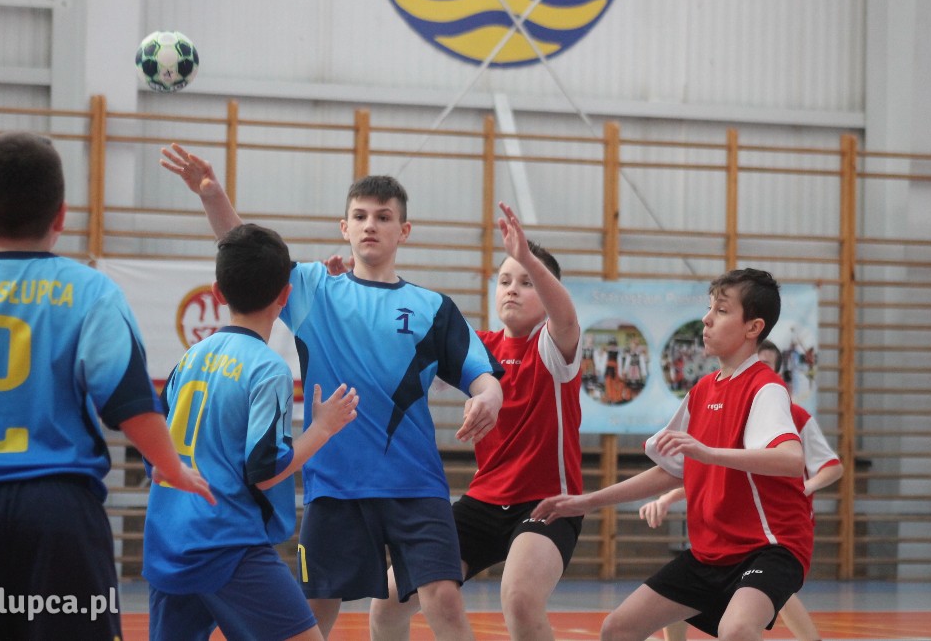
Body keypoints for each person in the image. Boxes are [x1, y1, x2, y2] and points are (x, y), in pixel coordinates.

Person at [161, 143, 504, 639]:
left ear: (403, 231)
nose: (371, 225)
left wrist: (489, 393)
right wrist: (212, 195)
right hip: (334, 486)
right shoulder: (313, 290)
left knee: (444, 599)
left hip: (415, 485)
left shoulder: (432, 307)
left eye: (384, 217)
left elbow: (478, 369)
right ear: (344, 227)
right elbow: (245, 252)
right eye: (360, 215)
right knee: (313, 611)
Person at [0, 132, 214, 640]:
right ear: (61, 216)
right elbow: (129, 402)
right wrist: (171, 467)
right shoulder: (91, 293)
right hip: (58, 515)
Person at [533, 268, 813, 641]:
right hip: (710, 552)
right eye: (709, 308)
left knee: (738, 628)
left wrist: (709, 453)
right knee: (618, 629)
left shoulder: (766, 388)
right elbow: (671, 471)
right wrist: (586, 501)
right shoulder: (702, 392)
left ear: (753, 327)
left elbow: (791, 458)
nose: (706, 319)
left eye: (722, 311)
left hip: (770, 548)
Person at [368, 202, 583, 641]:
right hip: (484, 501)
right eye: (505, 280)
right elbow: (400, 336)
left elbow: (566, 315)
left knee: (520, 599)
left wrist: (528, 258)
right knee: (389, 599)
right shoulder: (476, 348)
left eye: (526, 282)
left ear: (547, 290)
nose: (512, 289)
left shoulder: (554, 346)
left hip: (546, 504)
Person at [143, 223, 360, 641]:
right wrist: (323, 428)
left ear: (217, 292)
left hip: (169, 538)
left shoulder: (190, 359)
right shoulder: (267, 369)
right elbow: (265, 469)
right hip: (227, 543)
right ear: (285, 296)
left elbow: (153, 439)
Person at [640, 338, 843, 641]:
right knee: (684, 585)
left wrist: (807, 485)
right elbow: (708, 470)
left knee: (769, 594)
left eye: (768, 364)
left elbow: (832, 466)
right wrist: (669, 496)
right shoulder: (723, 407)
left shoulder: (794, 416)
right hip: (727, 522)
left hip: (776, 528)